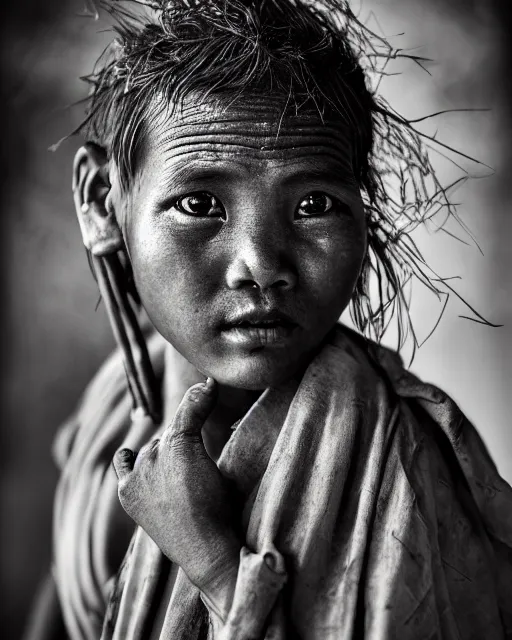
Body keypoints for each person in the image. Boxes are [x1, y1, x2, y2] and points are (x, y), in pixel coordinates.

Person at [24, 0, 512, 638]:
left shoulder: (402, 470)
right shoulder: (113, 408)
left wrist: (215, 563)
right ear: (101, 203)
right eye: (199, 202)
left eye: (314, 204)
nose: (261, 265)